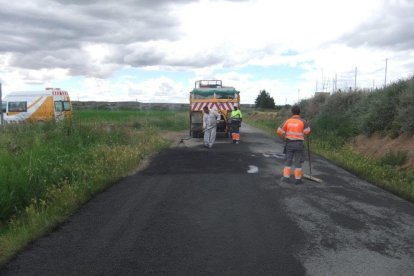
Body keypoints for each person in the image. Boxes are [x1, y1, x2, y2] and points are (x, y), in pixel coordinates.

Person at [276, 105, 311, 184]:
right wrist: (306, 126)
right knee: (298, 161)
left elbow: (278, 130)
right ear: (299, 112)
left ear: (292, 112)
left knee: (288, 160)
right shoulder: (303, 121)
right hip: (299, 144)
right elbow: (307, 131)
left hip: (289, 143)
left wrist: (285, 135)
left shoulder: (288, 121)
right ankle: (298, 179)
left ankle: (286, 177)